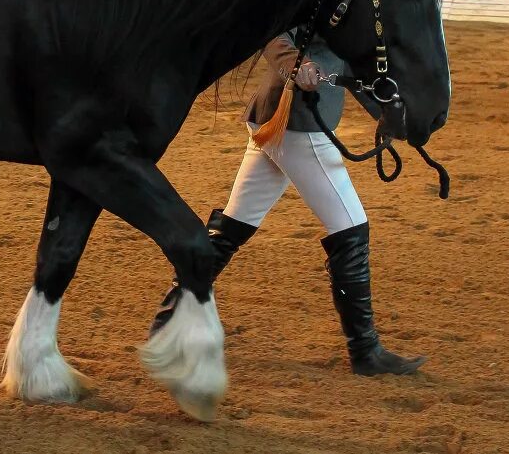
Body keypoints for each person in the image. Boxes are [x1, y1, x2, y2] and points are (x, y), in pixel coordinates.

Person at [151, 31, 426, 377]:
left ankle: (169, 317)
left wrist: (387, 111)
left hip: (284, 117)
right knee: (350, 227)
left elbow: (356, 58)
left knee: (234, 225)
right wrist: (295, 65)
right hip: (295, 120)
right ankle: (365, 350)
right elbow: (274, 33)